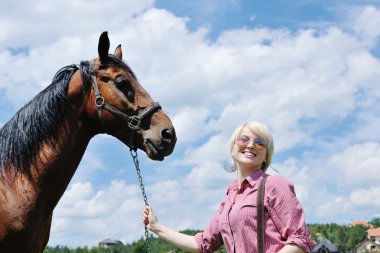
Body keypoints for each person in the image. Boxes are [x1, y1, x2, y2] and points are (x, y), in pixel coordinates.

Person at [143, 121, 316, 253]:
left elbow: (300, 239)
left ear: (265, 156)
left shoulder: (274, 184)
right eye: (244, 139)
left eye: (259, 142)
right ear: (233, 150)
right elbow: (203, 243)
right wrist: (155, 227)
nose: (250, 145)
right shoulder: (231, 197)